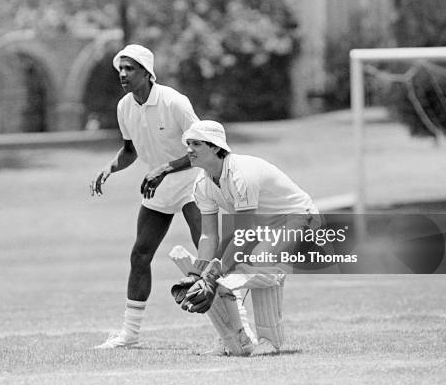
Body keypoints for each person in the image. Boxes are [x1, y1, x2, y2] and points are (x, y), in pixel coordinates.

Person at [171, 120, 320, 356]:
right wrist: (198, 274)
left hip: (300, 218)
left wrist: (212, 274)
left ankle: (269, 340)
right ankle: (235, 339)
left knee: (258, 264)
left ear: (215, 147)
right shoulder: (202, 183)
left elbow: (243, 234)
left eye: (196, 144)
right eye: (188, 143)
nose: (188, 149)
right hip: (262, 227)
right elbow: (209, 235)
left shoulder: (242, 174)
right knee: (215, 274)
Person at [90, 44, 203, 349]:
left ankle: (238, 324)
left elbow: (203, 149)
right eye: (121, 69)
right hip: (159, 183)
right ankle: (130, 335)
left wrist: (164, 169)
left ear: (147, 73)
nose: (123, 74)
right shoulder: (124, 107)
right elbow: (130, 151)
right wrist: (110, 168)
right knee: (140, 254)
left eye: (130, 68)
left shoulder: (174, 102)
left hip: (193, 180)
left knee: (208, 252)